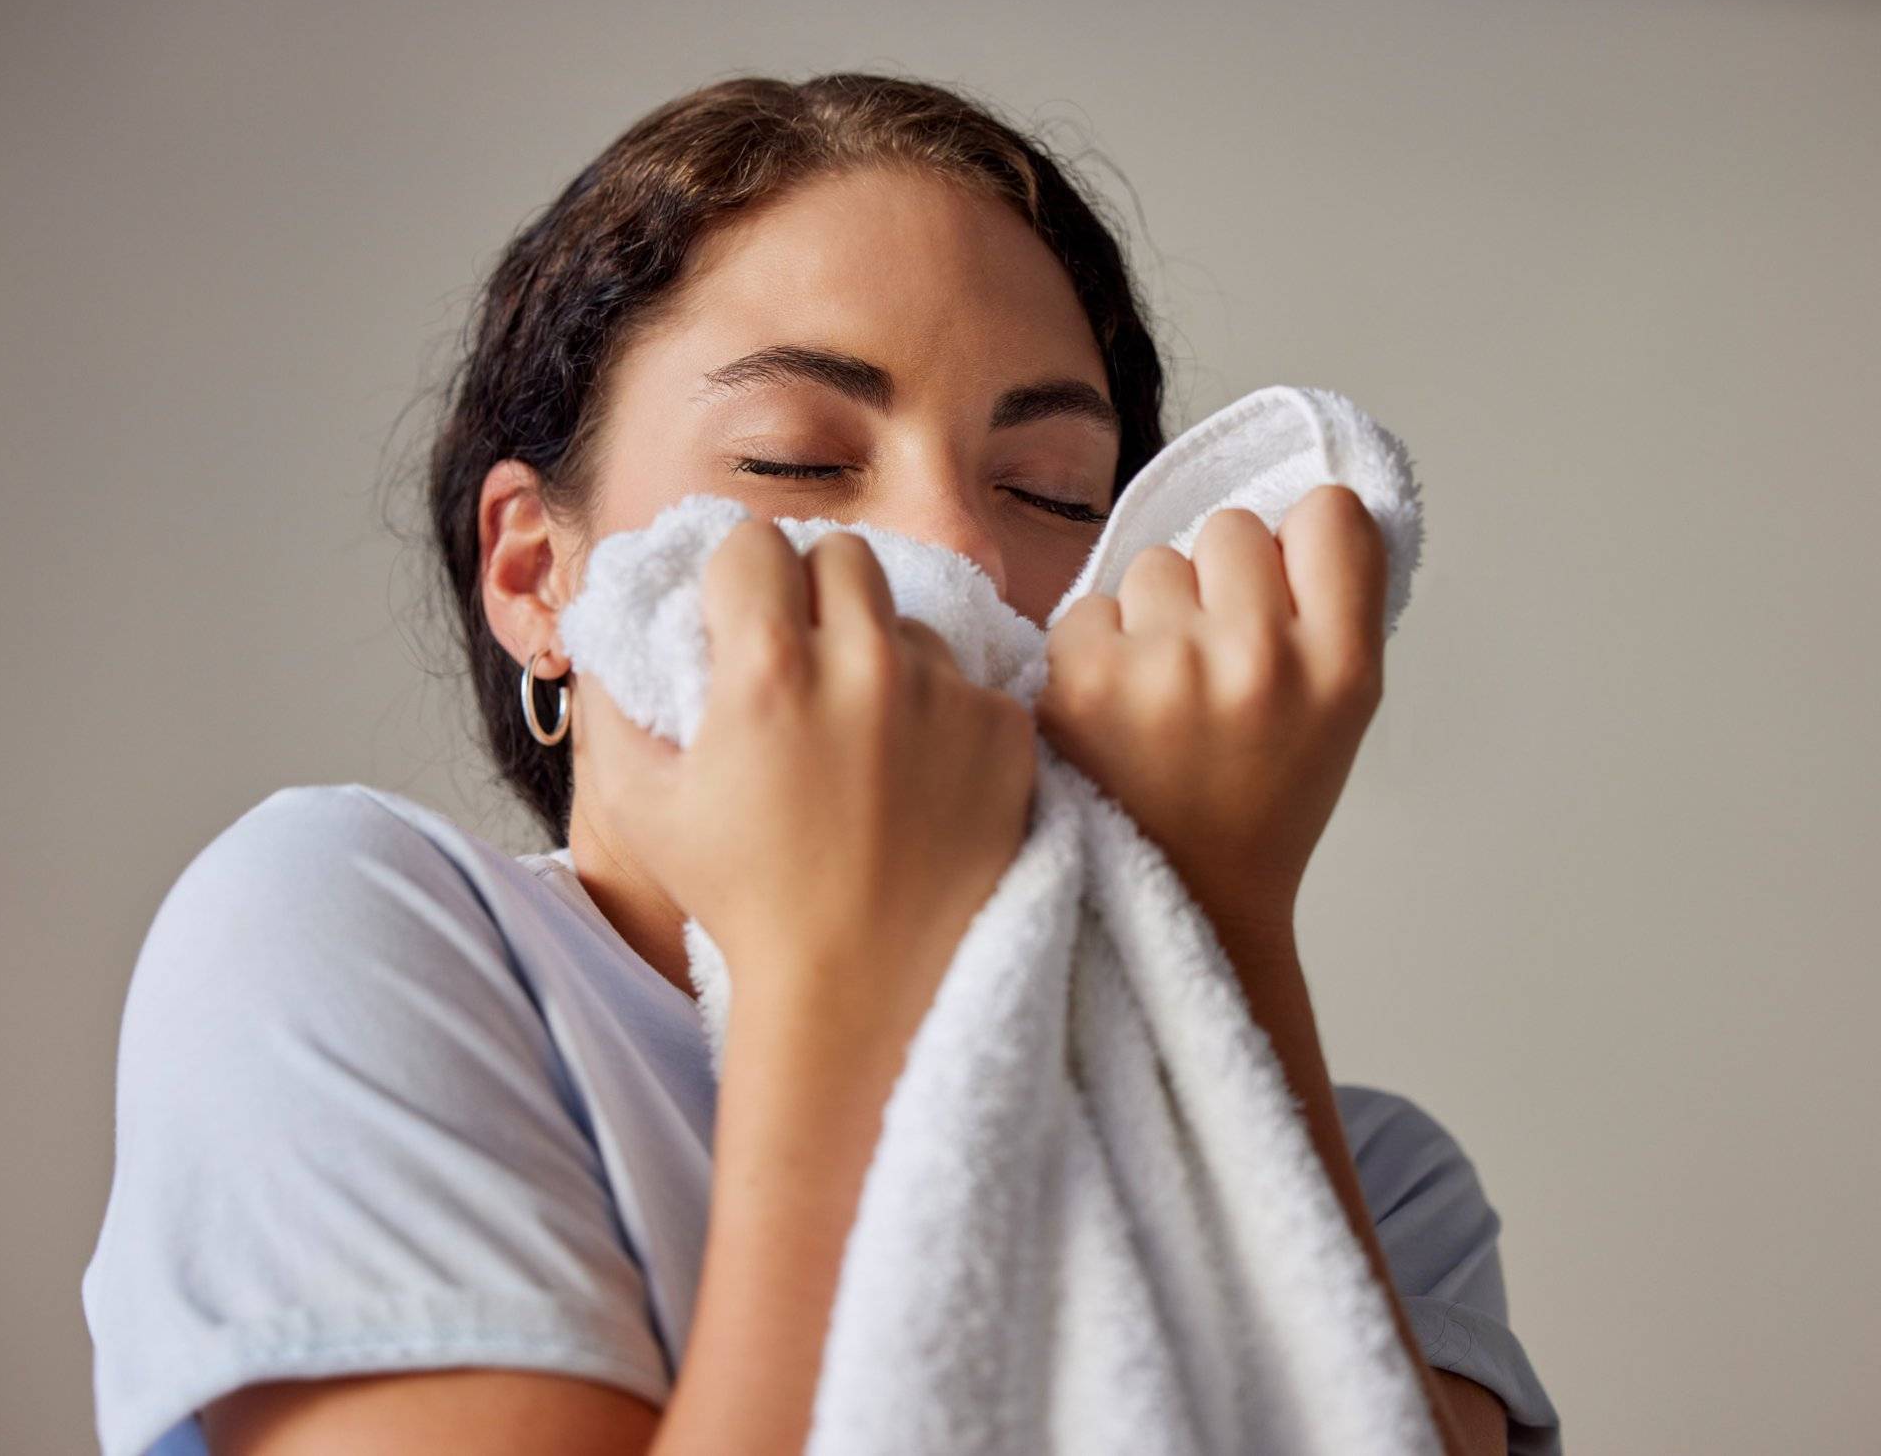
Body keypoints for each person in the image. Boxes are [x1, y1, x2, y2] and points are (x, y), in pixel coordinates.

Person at [81, 72, 1563, 1456]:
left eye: (1049, 488)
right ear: (538, 576)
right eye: (796, 459)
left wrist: (1219, 923)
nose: (958, 551)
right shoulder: (353, 938)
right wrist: (835, 981)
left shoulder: (1378, 1183)